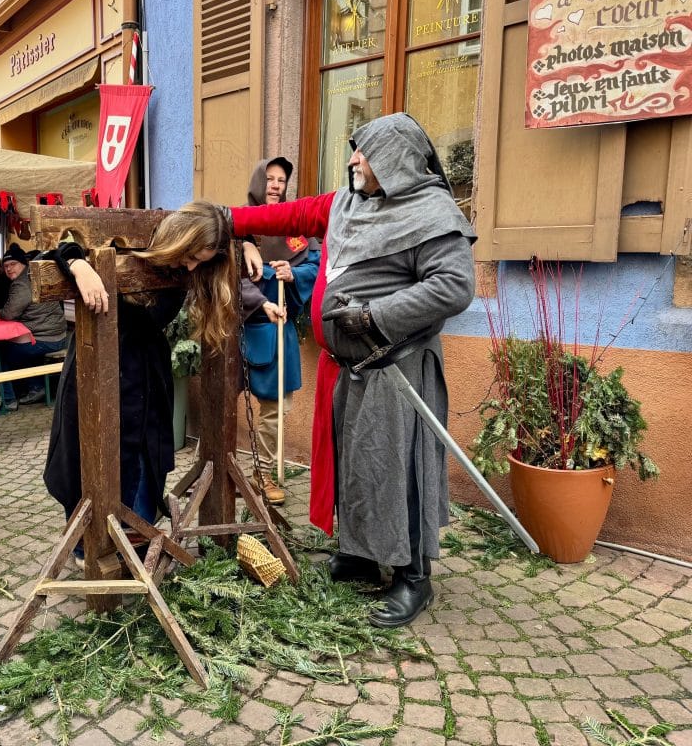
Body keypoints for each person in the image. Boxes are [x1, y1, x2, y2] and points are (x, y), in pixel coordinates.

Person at [163, 113, 476, 628]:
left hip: (397, 368)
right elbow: (289, 216)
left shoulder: (432, 213)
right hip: (352, 366)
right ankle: (358, 553)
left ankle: (413, 577)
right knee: (356, 467)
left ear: (394, 160)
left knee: (397, 471)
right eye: (355, 149)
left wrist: (376, 316)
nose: (353, 159)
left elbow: (452, 288)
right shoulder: (348, 203)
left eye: (364, 152)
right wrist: (227, 221)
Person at [43, 205, 246, 563]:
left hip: (147, 372)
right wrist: (78, 265)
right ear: (177, 239)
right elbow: (51, 245)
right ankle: (89, 546)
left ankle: (135, 536)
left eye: (202, 261)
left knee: (143, 456)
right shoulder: (124, 249)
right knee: (87, 456)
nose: (191, 267)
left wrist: (250, 246)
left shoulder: (192, 267)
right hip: (96, 365)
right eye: (191, 256)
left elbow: (229, 231)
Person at [239, 156, 319, 506]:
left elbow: (316, 265)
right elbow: (227, 276)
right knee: (245, 404)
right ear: (259, 181)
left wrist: (293, 274)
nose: (275, 185)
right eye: (269, 178)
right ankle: (238, 469)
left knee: (277, 408)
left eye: (281, 180)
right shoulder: (241, 225)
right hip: (246, 327)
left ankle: (263, 470)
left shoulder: (294, 227)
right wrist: (259, 295)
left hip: (281, 329)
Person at [0, 243, 67, 407]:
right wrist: (0, 312)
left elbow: (10, 314)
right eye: (6, 266)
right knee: (20, 348)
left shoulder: (22, 283)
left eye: (13, 264)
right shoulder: (34, 276)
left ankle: (8, 399)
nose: (8, 269)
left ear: (23, 263)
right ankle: (35, 387)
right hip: (57, 335)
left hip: (46, 338)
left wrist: (1, 313)